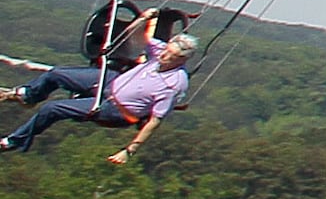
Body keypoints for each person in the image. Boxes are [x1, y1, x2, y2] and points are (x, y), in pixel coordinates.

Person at [4, 36, 195, 162]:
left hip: (116, 109)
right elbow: (138, 36)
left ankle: (15, 141)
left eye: (172, 56)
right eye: (166, 50)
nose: (165, 56)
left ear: (182, 60)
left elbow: (155, 121)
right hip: (111, 83)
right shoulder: (159, 54)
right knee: (56, 74)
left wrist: (129, 150)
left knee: (52, 109)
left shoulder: (174, 84)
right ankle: (30, 95)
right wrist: (144, 18)